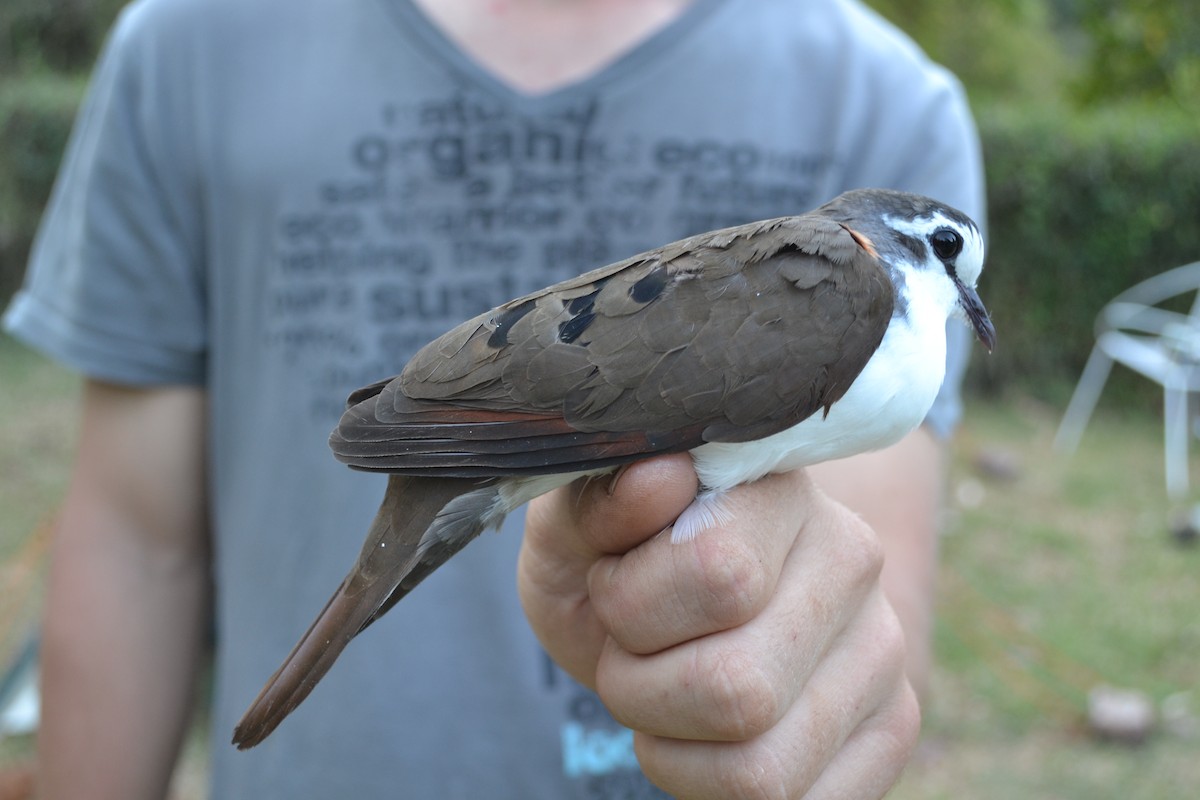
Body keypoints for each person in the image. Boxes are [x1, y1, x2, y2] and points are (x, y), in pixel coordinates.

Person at [3, 0, 985, 797]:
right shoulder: (189, 47)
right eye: (950, 261)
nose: (961, 297)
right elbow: (137, 543)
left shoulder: (889, 103)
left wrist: (813, 689)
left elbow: (866, 603)